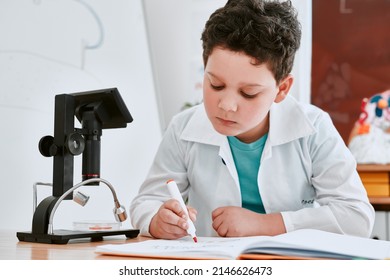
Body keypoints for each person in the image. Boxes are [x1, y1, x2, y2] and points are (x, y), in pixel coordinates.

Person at [130, 0, 375, 239]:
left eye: (248, 93)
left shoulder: (313, 128)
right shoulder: (183, 128)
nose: (226, 105)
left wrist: (265, 224)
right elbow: (147, 201)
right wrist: (156, 221)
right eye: (215, 85)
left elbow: (356, 218)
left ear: (282, 89)